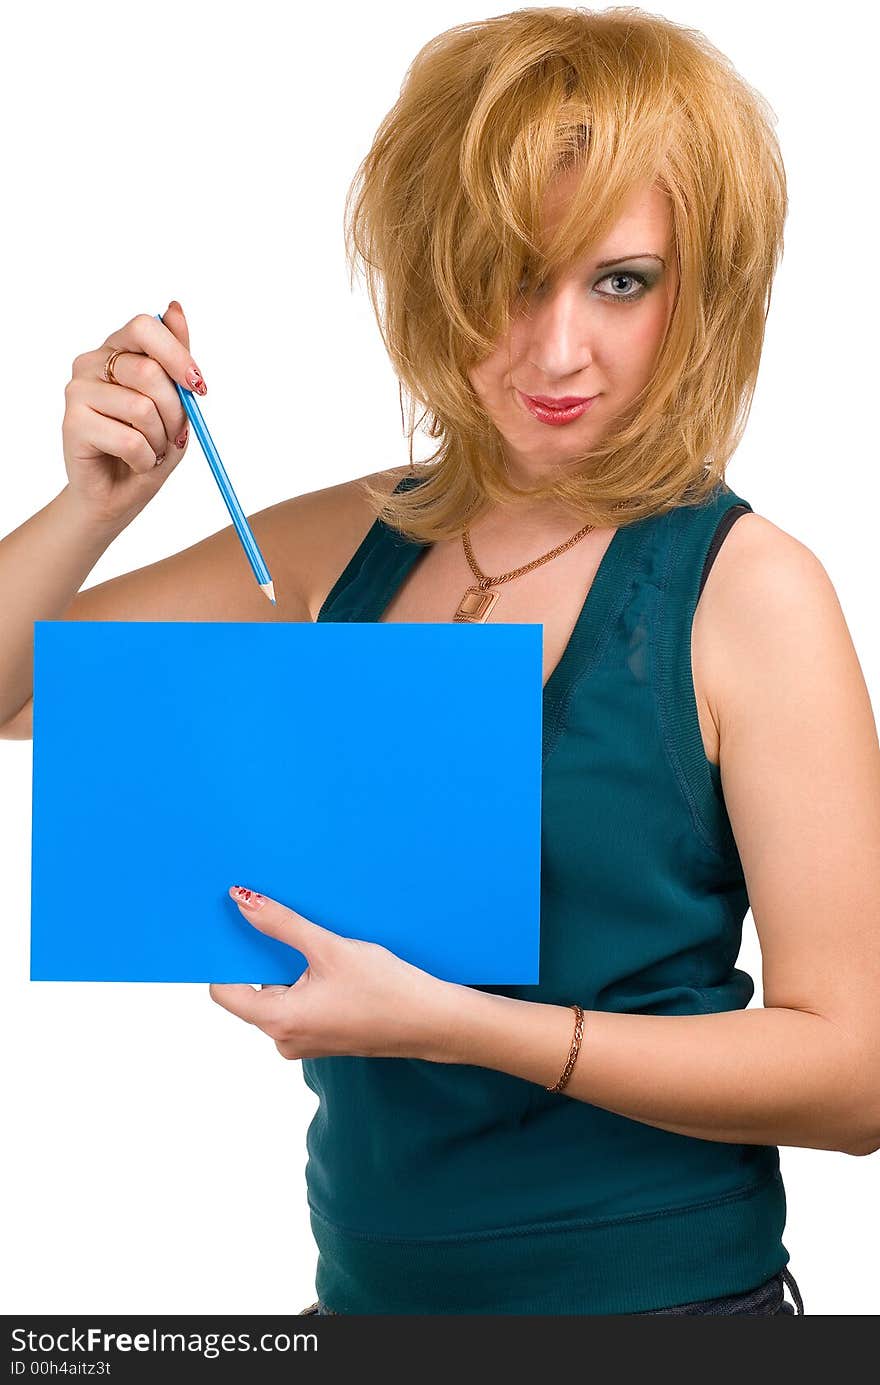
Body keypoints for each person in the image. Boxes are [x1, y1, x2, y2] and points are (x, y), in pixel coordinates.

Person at [2, 6, 878, 1316]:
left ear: (706, 287)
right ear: (429, 274)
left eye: (620, 280)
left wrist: (451, 1022)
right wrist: (94, 499)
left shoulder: (749, 594)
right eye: (509, 276)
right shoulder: (334, 548)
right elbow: (19, 695)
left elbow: (855, 1078)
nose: (559, 348)